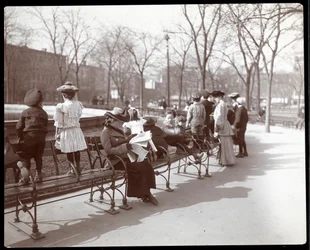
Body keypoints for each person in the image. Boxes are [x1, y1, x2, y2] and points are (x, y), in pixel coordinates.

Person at [100, 107, 158, 205]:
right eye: (119, 121)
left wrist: (130, 139)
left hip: (125, 157)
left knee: (146, 165)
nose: (121, 124)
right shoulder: (105, 132)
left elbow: (121, 142)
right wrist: (125, 146)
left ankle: (145, 192)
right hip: (115, 161)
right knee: (138, 167)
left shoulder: (117, 130)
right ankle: (146, 194)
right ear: (112, 120)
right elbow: (109, 151)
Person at [53, 81, 87, 176]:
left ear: (63, 95)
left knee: (69, 150)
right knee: (76, 149)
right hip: (76, 130)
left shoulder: (62, 106)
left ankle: (72, 169)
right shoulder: (78, 105)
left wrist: (57, 133)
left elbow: (59, 122)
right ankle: (78, 167)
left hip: (67, 131)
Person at [16, 88, 49, 183]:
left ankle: (26, 177)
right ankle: (39, 175)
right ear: (40, 101)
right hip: (41, 139)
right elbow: (45, 126)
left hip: (29, 138)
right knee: (38, 156)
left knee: (26, 157)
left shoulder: (25, 112)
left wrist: (19, 137)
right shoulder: (44, 113)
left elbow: (18, 127)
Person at [210, 90, 236, 166]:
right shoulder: (223, 104)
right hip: (225, 125)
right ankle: (228, 160)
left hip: (222, 126)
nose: (215, 99)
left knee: (224, 144)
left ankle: (226, 161)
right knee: (226, 144)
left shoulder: (220, 105)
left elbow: (219, 117)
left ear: (218, 97)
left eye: (215, 98)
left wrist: (217, 130)